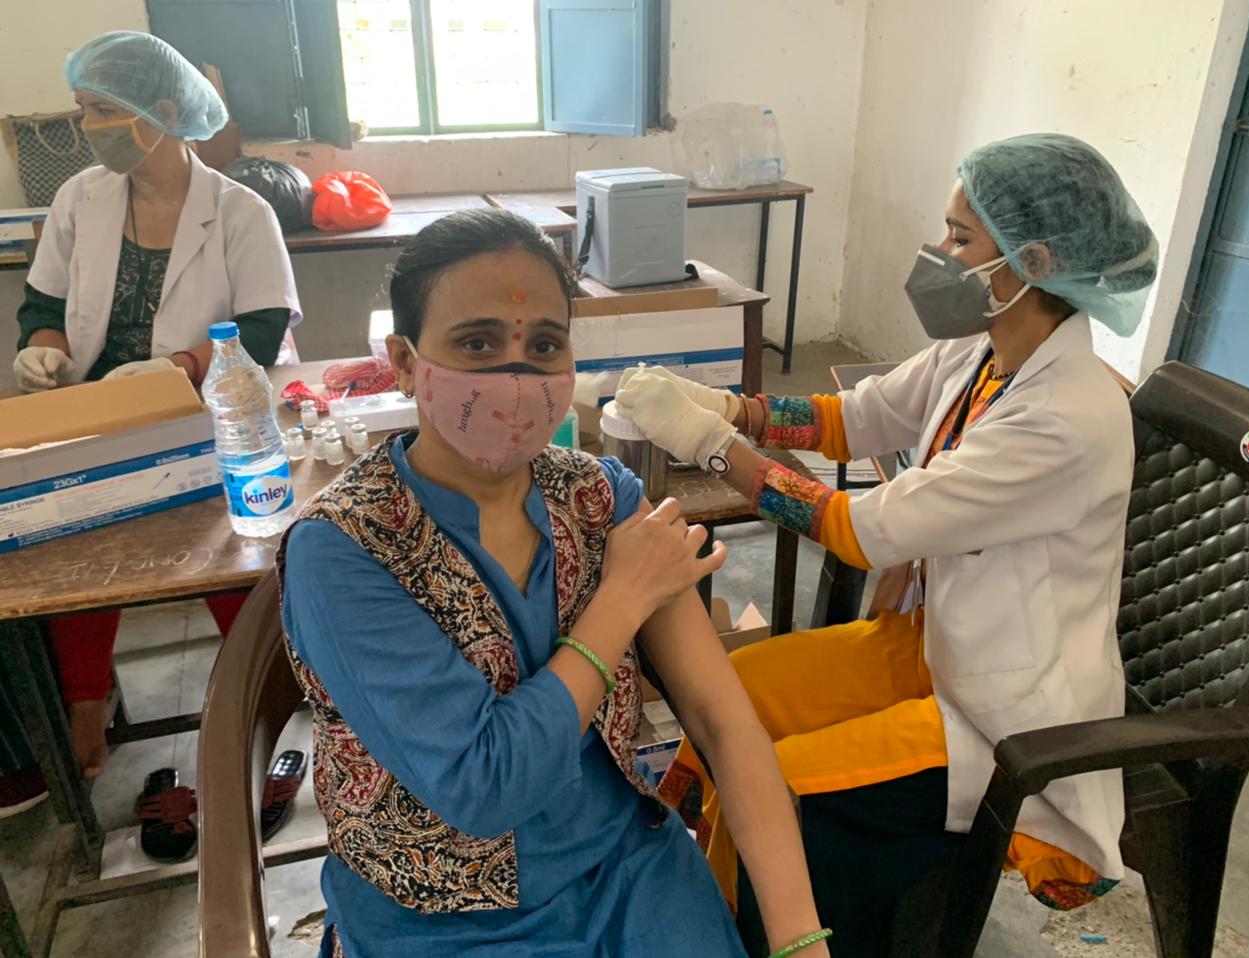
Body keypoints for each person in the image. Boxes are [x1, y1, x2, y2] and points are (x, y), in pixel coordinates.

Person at [615, 133, 1158, 955]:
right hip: (938, 644)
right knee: (733, 695)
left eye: (960, 238)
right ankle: (714, 917)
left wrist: (709, 444)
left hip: (1002, 704)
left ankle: (788, 936)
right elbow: (853, 418)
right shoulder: (983, 353)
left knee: (783, 788)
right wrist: (732, 408)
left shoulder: (1065, 416)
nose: (939, 253)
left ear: (1033, 262)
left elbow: (858, 531)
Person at [279, 208, 833, 958]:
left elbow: (724, 722)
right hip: (442, 913)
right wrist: (621, 601)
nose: (516, 379)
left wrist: (802, 942)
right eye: (477, 343)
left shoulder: (599, 499)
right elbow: (484, 787)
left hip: (624, 866)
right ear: (405, 362)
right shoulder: (346, 547)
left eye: (543, 345)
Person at [1, 31, 301, 805]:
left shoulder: (239, 211)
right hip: (100, 409)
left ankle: (262, 702)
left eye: (103, 110)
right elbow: (43, 303)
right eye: (83, 109)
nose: (87, 127)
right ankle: (85, 702)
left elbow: (264, 327)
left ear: (162, 110)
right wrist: (43, 349)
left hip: (207, 417)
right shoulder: (81, 199)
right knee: (77, 550)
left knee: (229, 555)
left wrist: (180, 369)